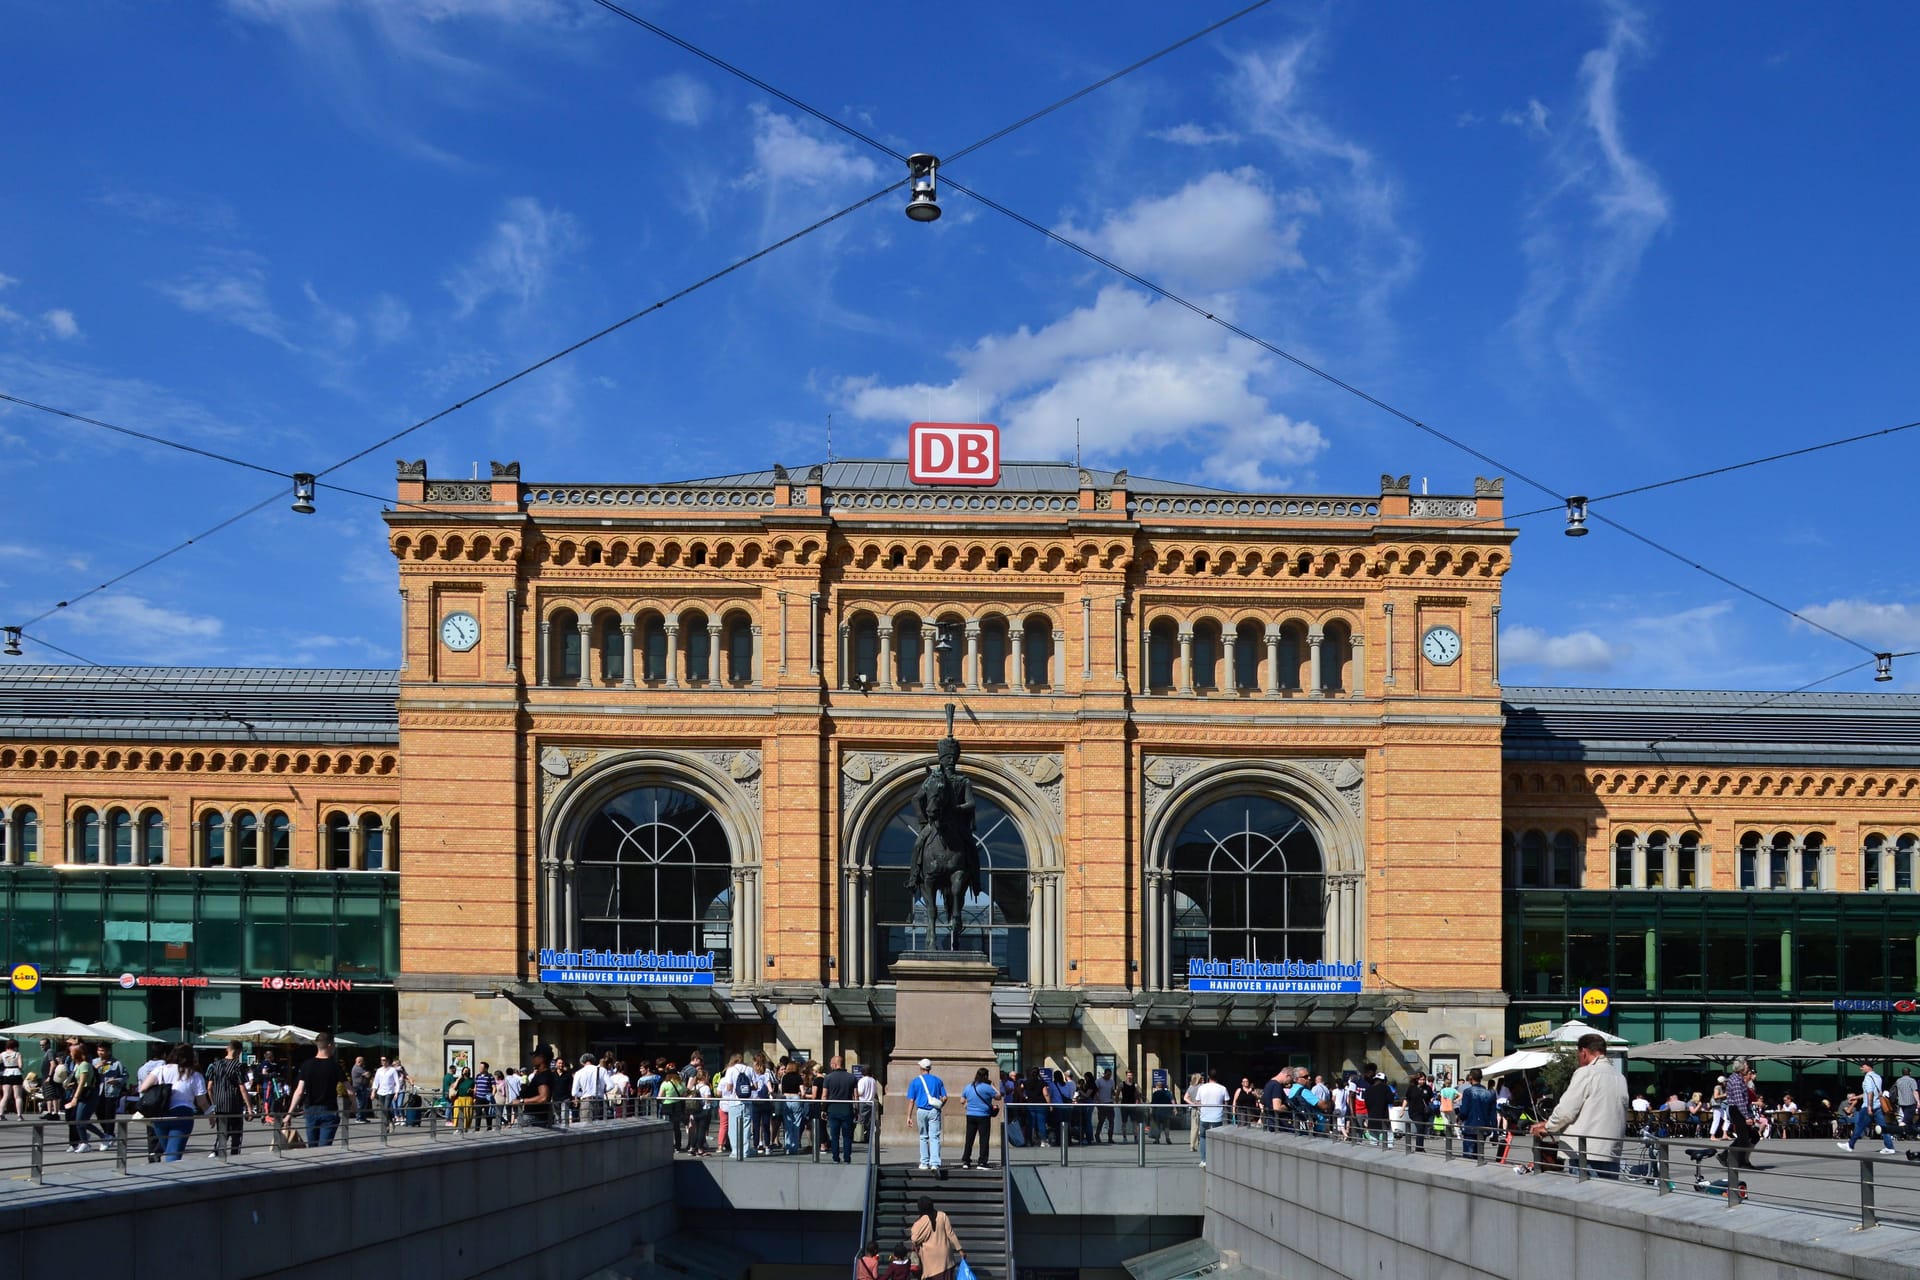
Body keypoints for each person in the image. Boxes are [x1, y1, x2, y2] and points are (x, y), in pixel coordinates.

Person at [1529, 1033, 1628, 1174]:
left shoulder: (1586, 1073)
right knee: (1606, 1194)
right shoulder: (1619, 1077)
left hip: (1586, 1153)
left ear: (1584, 1052)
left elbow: (1566, 1110)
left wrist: (1548, 1127)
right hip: (1611, 1152)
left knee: (1584, 1194)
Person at [140, 1044, 207, 1162]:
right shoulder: (194, 1075)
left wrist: (160, 1091)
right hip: (182, 1114)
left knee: (169, 1151)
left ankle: (168, 1175)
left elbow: (143, 1088)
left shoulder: (160, 1069)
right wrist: (210, 1114)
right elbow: (201, 1101)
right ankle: (171, 1177)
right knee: (173, 1154)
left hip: (160, 1113)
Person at [287, 1032, 346, 1148]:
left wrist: (289, 1113)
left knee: (312, 1147)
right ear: (329, 1045)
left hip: (310, 1109)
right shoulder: (334, 1066)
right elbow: (349, 1090)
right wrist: (354, 1107)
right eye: (334, 1045)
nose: (334, 1047)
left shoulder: (306, 1065)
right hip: (329, 1109)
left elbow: (299, 1091)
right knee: (324, 1147)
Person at [205, 1040, 254, 1157]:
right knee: (236, 1135)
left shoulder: (215, 1065)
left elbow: (209, 1087)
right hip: (234, 1105)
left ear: (227, 1049)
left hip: (219, 1105)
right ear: (238, 1051)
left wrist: (213, 1104)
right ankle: (234, 1157)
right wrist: (249, 1107)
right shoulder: (238, 1066)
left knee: (222, 1133)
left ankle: (216, 1153)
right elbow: (242, 1088)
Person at [1842, 1058, 1897, 1155]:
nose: (1861, 1068)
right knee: (1883, 1127)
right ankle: (1890, 1147)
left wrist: (1869, 1106)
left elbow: (1870, 1093)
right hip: (1878, 1106)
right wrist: (1857, 1097)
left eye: (1862, 1067)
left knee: (1859, 1125)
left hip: (1868, 1106)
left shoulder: (1867, 1078)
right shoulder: (1878, 1077)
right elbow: (1872, 1092)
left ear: (1868, 1067)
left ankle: (1850, 1145)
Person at [907, 1057, 949, 1171]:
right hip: (934, 1110)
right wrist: (939, 1105)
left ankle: (924, 1162)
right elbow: (945, 1097)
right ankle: (935, 1163)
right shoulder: (938, 1080)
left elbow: (911, 1100)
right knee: (934, 1137)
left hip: (921, 1110)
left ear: (921, 1068)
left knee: (923, 1137)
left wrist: (909, 1116)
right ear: (930, 1068)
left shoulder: (915, 1081)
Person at [909, 1196, 965, 1280]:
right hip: (946, 1258)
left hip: (931, 1261)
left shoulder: (920, 1222)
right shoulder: (942, 1215)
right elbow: (951, 1234)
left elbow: (914, 1239)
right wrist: (960, 1249)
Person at [821, 1055, 857, 1164]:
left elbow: (824, 1095)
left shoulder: (828, 1078)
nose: (830, 1065)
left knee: (835, 1136)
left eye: (831, 1063)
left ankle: (836, 1157)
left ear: (835, 1064)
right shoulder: (852, 1077)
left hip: (833, 1109)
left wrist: (823, 1109)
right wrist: (856, 1109)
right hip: (847, 1109)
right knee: (847, 1136)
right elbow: (855, 1096)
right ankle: (847, 1158)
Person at [961, 1066, 999, 1169]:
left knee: (969, 1139)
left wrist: (967, 1104)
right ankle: (982, 1162)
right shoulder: (987, 1087)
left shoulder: (969, 1086)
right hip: (983, 1116)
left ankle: (966, 1160)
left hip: (970, 1115)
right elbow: (998, 1096)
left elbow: (962, 1100)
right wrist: (993, 1086)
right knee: (984, 1139)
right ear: (986, 1076)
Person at [1457, 1068, 1498, 1158]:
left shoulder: (1468, 1092)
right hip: (1484, 1127)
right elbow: (1493, 1115)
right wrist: (1495, 1132)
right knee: (1479, 1154)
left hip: (1470, 1126)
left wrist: (1459, 1117)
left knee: (1469, 1156)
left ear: (1470, 1078)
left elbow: (1464, 1112)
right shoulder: (1489, 1093)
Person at [1193, 1070, 1229, 1166]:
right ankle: (1217, 1159)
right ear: (1217, 1077)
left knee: (1203, 1137)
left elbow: (1197, 1101)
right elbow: (1226, 1103)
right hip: (1217, 1117)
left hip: (1204, 1116)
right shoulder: (1223, 1088)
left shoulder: (1202, 1088)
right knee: (1217, 1138)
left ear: (1208, 1076)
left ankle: (1204, 1160)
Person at [1362, 1063, 1396, 1149]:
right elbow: (1390, 1101)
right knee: (1389, 1142)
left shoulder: (1368, 1090)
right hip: (1383, 1119)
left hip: (1372, 1119)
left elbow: (1366, 1103)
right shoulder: (1385, 1088)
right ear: (1384, 1080)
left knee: (1373, 1142)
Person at [521, 1050, 558, 1127]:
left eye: (535, 1056)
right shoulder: (544, 1074)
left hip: (533, 1117)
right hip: (539, 1116)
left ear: (541, 1058)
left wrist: (521, 1101)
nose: (532, 1059)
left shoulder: (543, 1076)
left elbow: (543, 1098)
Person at [371, 1055, 400, 1129]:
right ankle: (390, 1121)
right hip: (380, 1092)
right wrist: (373, 1092)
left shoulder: (392, 1070)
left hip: (389, 1091)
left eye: (384, 1060)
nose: (382, 1062)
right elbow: (376, 1082)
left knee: (386, 1108)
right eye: (381, 1060)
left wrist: (396, 1093)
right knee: (383, 1109)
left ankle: (386, 1125)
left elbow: (397, 1082)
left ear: (388, 1061)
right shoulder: (379, 1070)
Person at [0, 1039, 24, 1120]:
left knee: (5, 1095)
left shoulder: (2, 1054)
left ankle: (1, 1114)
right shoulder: (17, 1054)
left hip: (6, 1073)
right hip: (16, 1073)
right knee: (18, 1096)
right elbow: (21, 1065)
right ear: (15, 1046)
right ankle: (19, 1115)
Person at [1149, 1074, 1174, 1143]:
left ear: (1157, 1086)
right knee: (1166, 1126)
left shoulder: (1155, 1093)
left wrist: (1151, 1111)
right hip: (1166, 1110)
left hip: (1158, 1111)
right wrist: (1174, 1108)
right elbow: (1172, 1101)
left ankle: (1157, 1139)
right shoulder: (1168, 1092)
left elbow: (1153, 1103)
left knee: (1157, 1125)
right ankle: (1167, 1138)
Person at [1897, 1068, 1918, 1140]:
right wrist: (1918, 1101)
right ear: (1910, 1072)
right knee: (1906, 1119)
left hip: (1902, 1102)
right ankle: (1899, 1133)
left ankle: (1913, 1134)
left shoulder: (1898, 1081)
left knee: (1909, 1120)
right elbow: (1915, 1092)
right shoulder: (1912, 1080)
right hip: (1911, 1102)